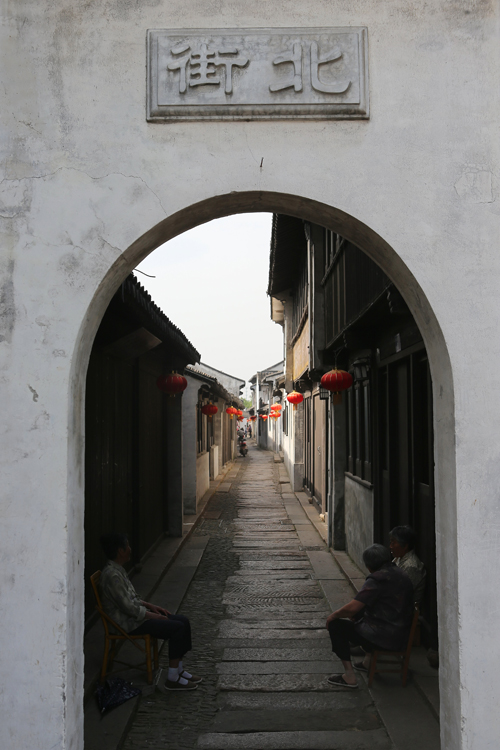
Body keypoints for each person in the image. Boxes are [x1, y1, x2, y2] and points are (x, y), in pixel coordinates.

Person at [99, 532, 201, 691]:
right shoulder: (112, 575)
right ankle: (172, 678)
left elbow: (132, 598)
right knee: (177, 628)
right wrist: (154, 616)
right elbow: (129, 608)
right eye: (127, 546)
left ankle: (179, 670)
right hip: (129, 623)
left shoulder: (117, 570)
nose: (130, 549)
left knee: (183, 621)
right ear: (120, 550)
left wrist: (151, 606)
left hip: (136, 617)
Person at [326, 544, 414, 688]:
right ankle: (367, 662)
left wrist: (333, 616)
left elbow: (353, 607)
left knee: (336, 626)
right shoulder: (400, 573)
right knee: (362, 611)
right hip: (401, 633)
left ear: (369, 566)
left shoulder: (377, 579)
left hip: (383, 637)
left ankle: (349, 676)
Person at [389, 525, 426, 603]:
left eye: (394, 543)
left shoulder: (411, 566)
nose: (391, 546)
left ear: (405, 546)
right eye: (390, 542)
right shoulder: (398, 558)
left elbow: (400, 593)